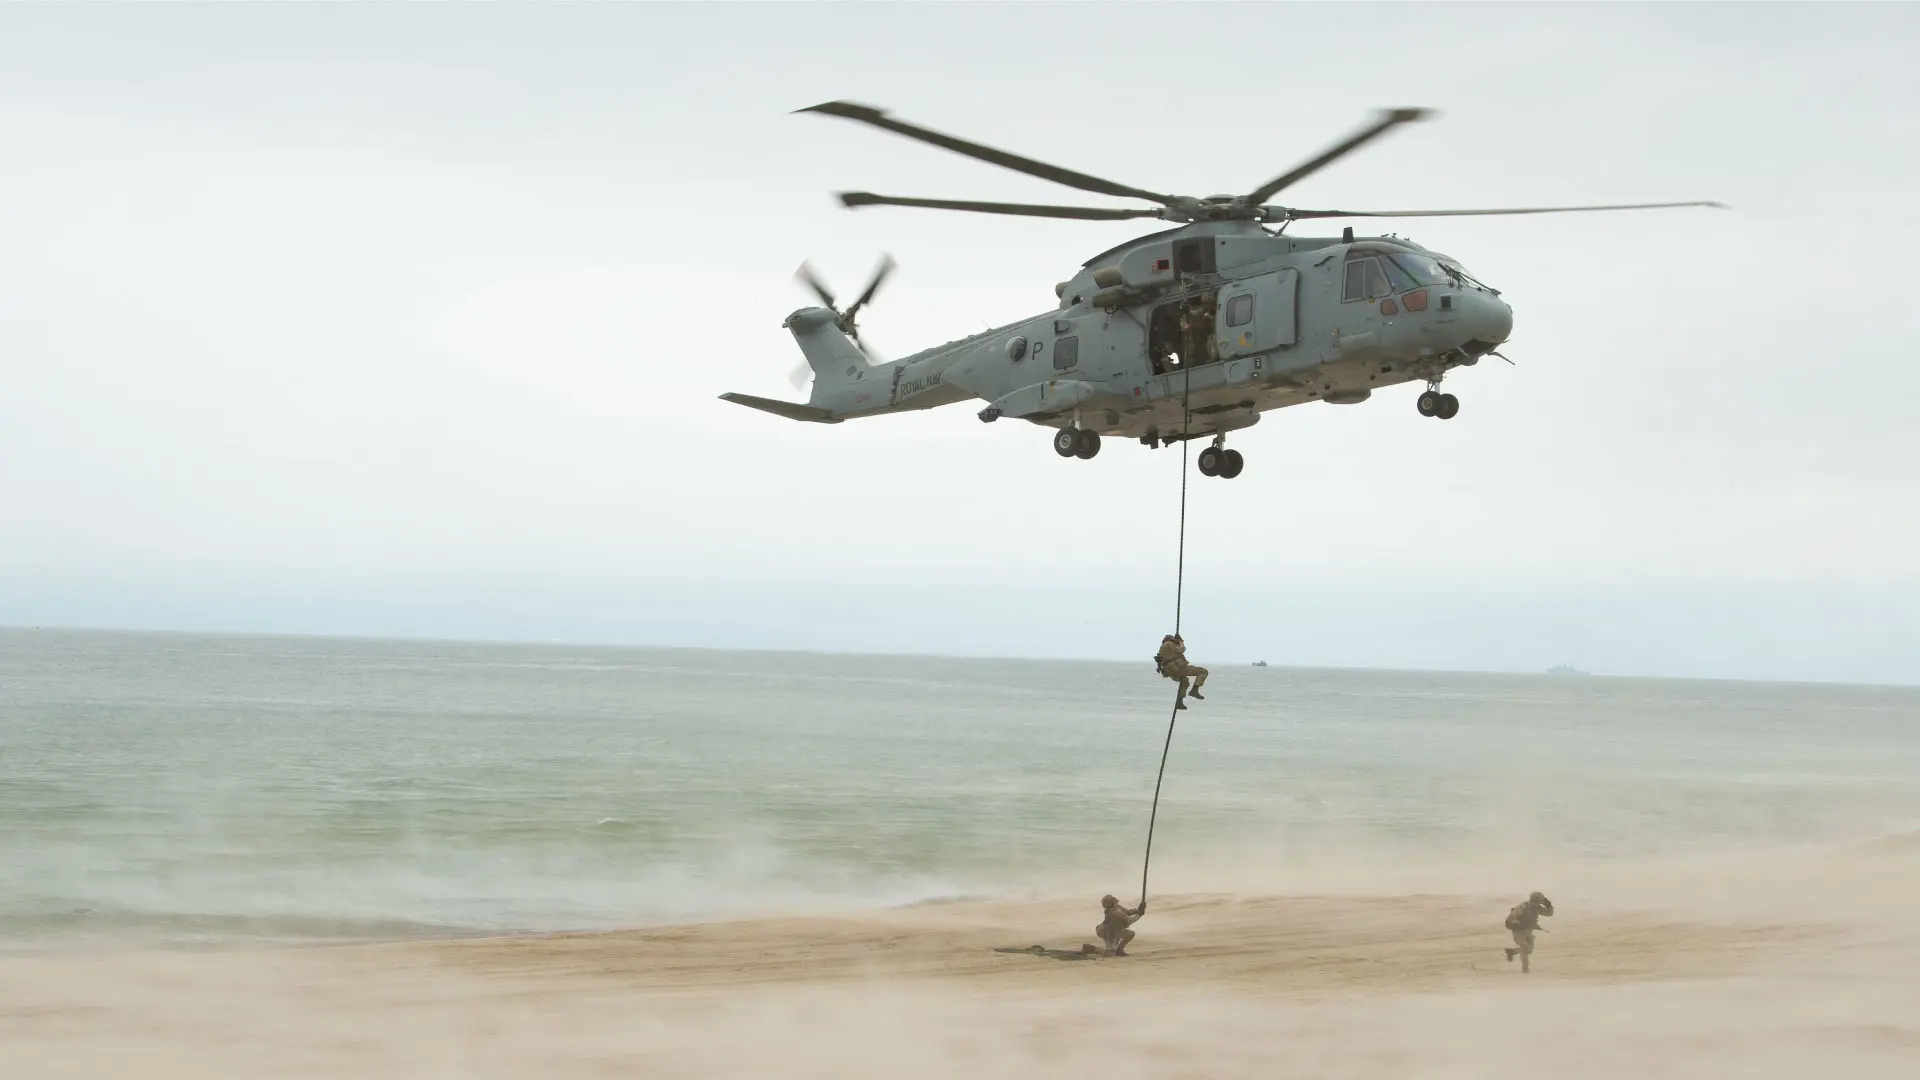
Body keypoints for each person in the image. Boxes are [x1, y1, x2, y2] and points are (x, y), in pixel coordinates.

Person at [1503, 890, 1554, 973]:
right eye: (1539, 902)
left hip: (1527, 931)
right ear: (1534, 900)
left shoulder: (1537, 908)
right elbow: (1512, 917)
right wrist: (1517, 922)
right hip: (1518, 931)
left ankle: (1512, 952)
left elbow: (1549, 914)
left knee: (1529, 950)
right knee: (1525, 947)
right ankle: (1525, 970)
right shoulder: (1522, 907)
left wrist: (1549, 905)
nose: (1540, 904)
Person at [1155, 634, 1208, 709]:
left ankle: (1179, 702)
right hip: (1176, 669)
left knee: (1185, 681)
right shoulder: (1168, 644)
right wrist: (1181, 641)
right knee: (1203, 671)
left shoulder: (1164, 646)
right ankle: (1194, 690)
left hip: (1171, 671)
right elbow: (1182, 649)